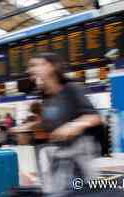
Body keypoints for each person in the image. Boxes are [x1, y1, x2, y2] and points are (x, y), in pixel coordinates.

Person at [26, 53, 102, 194]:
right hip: (58, 156)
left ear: (51, 67)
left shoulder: (71, 89)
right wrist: (30, 127)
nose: (30, 70)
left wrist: (73, 126)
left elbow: (94, 116)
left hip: (79, 158)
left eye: (36, 65)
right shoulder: (46, 95)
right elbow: (51, 124)